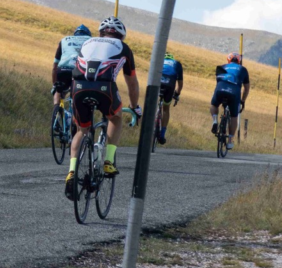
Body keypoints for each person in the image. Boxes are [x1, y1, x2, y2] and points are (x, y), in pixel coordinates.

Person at [64, 17, 141, 200]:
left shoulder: (88, 42)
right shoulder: (124, 48)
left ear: (100, 32)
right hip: (105, 89)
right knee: (115, 118)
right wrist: (134, 107)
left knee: (82, 131)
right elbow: (132, 83)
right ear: (121, 36)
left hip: (79, 88)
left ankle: (72, 172)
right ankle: (108, 161)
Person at [210, 53, 250, 150]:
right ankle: (230, 140)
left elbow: (218, 81)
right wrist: (243, 101)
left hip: (220, 89)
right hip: (234, 92)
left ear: (228, 60)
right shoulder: (243, 69)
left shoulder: (222, 66)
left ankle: (215, 120)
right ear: (239, 61)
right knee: (233, 116)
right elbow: (246, 88)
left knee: (214, 105)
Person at [52, 25, 91, 108]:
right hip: (79, 70)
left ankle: (56, 112)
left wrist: (54, 85)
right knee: (78, 94)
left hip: (62, 69)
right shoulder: (90, 41)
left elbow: (54, 66)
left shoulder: (64, 40)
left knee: (58, 91)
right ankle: (74, 113)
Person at [157, 53, 184, 145]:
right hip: (170, 83)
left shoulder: (159, 60)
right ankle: (162, 134)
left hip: (158, 81)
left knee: (152, 104)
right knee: (166, 109)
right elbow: (180, 83)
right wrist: (176, 94)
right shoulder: (177, 63)